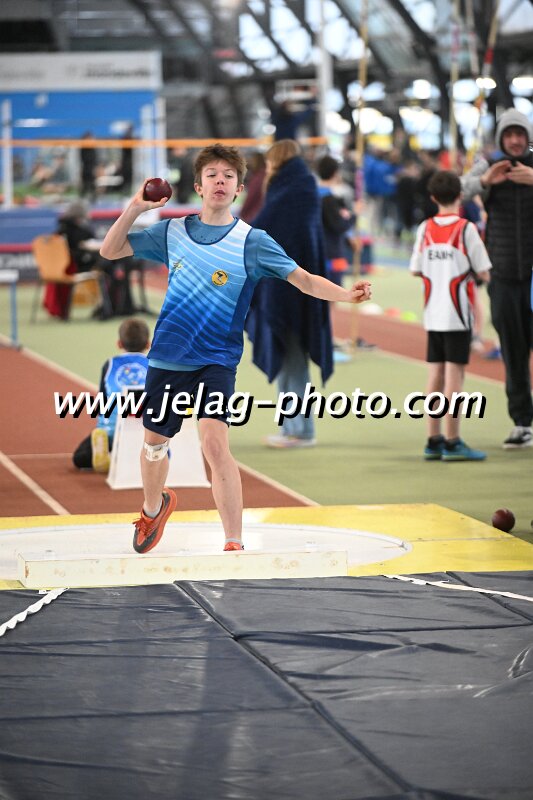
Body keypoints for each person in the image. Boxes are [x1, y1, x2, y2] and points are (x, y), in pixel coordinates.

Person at [99, 143, 372, 554]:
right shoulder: (172, 232)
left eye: (229, 176)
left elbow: (304, 280)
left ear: (240, 188)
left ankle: (234, 541)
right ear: (198, 186)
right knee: (154, 445)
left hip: (217, 359)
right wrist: (136, 207)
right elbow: (110, 250)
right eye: (212, 175)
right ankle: (153, 509)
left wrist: (347, 295)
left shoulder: (252, 242)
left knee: (214, 444)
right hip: (168, 356)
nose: (220, 181)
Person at [246, 139, 333, 449]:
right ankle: (290, 427)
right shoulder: (296, 187)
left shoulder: (291, 191)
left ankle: (302, 430)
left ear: (277, 160)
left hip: (291, 291)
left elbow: (261, 229)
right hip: (286, 286)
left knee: (293, 360)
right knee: (286, 359)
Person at [461, 108, 533, 448]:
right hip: (503, 275)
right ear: (502, 138)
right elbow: (455, 190)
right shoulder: (488, 165)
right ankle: (522, 423)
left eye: (520, 134)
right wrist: (485, 181)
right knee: (513, 351)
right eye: (509, 135)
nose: (515, 140)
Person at [409, 170, 491, 461]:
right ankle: (453, 441)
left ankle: (433, 439)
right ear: (460, 196)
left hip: (433, 313)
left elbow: (415, 269)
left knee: (435, 375)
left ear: (433, 198)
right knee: (455, 377)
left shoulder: (425, 228)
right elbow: (484, 271)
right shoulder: (466, 229)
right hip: (458, 313)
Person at [72, 318, 150, 472]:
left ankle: (111, 449)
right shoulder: (154, 365)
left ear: (119, 344)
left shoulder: (109, 365)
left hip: (112, 430)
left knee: (80, 457)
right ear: (148, 344)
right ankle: (135, 454)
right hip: (146, 432)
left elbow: (102, 402)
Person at [316, 154, 356, 286]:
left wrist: (349, 238)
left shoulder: (314, 195)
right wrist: (354, 215)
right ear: (335, 173)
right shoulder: (328, 199)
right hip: (331, 252)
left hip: (317, 250)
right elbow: (339, 225)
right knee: (332, 291)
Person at [239, 151, 266, 223]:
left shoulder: (258, 177)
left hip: (253, 215)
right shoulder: (264, 175)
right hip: (259, 213)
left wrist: (242, 213)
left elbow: (251, 197)